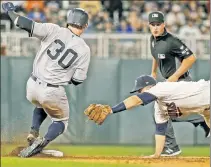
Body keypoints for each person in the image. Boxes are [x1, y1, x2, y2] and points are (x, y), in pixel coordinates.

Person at [2, 2, 90, 158]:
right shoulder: (84, 49)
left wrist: (10, 11)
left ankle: (33, 132)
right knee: (62, 121)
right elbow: (78, 80)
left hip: (32, 85)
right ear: (85, 25)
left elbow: (23, 23)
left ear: (68, 20)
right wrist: (64, 75)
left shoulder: (53, 29)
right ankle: (40, 143)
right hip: (52, 89)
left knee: (41, 104)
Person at [84, 75, 210, 158]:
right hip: (206, 109)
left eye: (140, 89)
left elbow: (137, 100)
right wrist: (156, 154)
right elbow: (160, 130)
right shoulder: (159, 108)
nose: (139, 92)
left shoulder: (161, 87)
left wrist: (111, 110)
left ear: (149, 86)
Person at [148, 11, 210, 156]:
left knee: (162, 111)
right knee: (166, 112)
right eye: (153, 24)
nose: (155, 27)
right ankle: (201, 119)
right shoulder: (152, 39)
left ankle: (172, 147)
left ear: (164, 24)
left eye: (158, 24)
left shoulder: (172, 41)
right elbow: (155, 55)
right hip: (169, 83)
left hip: (181, 82)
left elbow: (191, 58)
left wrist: (175, 76)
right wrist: (153, 72)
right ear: (149, 25)